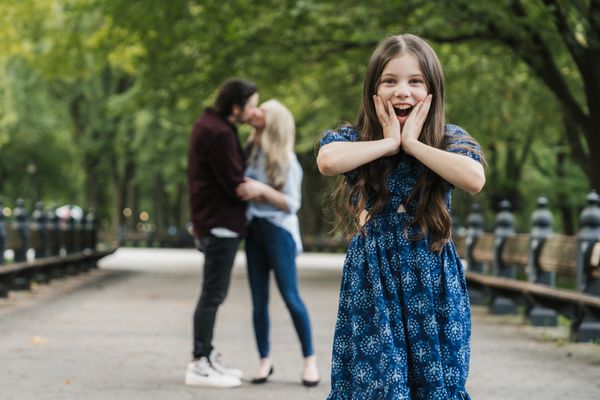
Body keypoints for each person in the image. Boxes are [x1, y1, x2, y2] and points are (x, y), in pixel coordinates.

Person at [316, 34, 486, 399]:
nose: (402, 92)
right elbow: (328, 161)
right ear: (373, 88)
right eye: (390, 81)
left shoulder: (448, 139)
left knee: (436, 383)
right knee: (379, 381)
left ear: (432, 89)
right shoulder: (354, 137)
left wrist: (414, 145)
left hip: (432, 276)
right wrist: (390, 143)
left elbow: (474, 179)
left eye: (415, 82)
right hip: (373, 278)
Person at [235, 99, 320, 387]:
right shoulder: (249, 154)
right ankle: (264, 360)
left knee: (291, 297)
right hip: (254, 231)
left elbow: (292, 204)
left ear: (273, 122)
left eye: (262, 111)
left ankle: (309, 360)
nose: (254, 113)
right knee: (259, 302)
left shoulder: (288, 161)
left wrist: (261, 191)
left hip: (278, 233)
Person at [185, 78, 259, 388]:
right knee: (213, 294)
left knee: (213, 292)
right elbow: (234, 182)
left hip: (214, 221)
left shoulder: (215, 127)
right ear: (236, 107)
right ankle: (200, 361)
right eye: (252, 106)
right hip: (219, 223)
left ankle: (207, 355)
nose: (254, 112)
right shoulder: (217, 133)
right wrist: (264, 191)